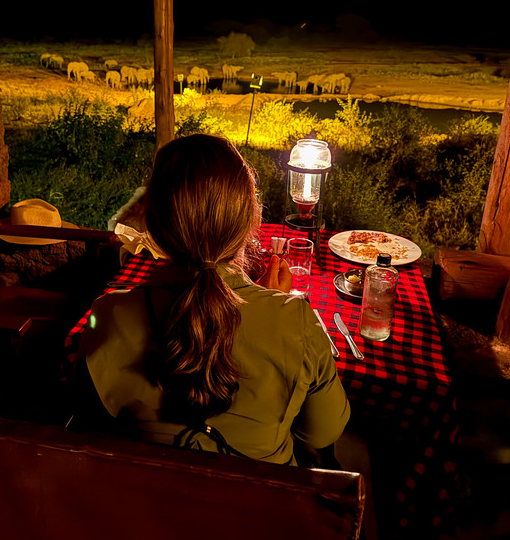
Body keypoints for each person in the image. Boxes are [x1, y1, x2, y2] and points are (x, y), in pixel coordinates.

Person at [71, 134, 350, 465]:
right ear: (250, 221)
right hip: (263, 511)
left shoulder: (108, 315)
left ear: (153, 224)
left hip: (145, 506)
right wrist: (273, 307)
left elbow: (88, 421)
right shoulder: (296, 322)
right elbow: (322, 433)